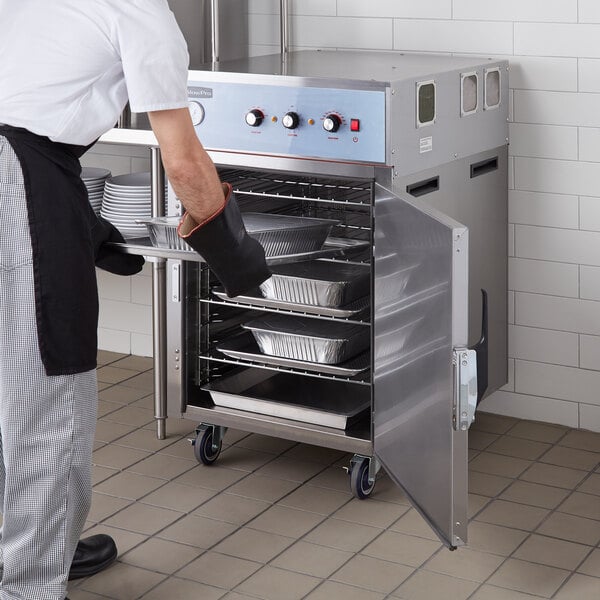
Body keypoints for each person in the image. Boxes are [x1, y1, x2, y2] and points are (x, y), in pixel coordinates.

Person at [0, 1, 269, 599]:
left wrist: (76, 221)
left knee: (6, 389)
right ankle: (29, 584)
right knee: (49, 402)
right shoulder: (140, 9)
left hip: (25, 173)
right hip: (22, 176)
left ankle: (45, 547)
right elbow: (182, 159)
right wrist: (239, 259)